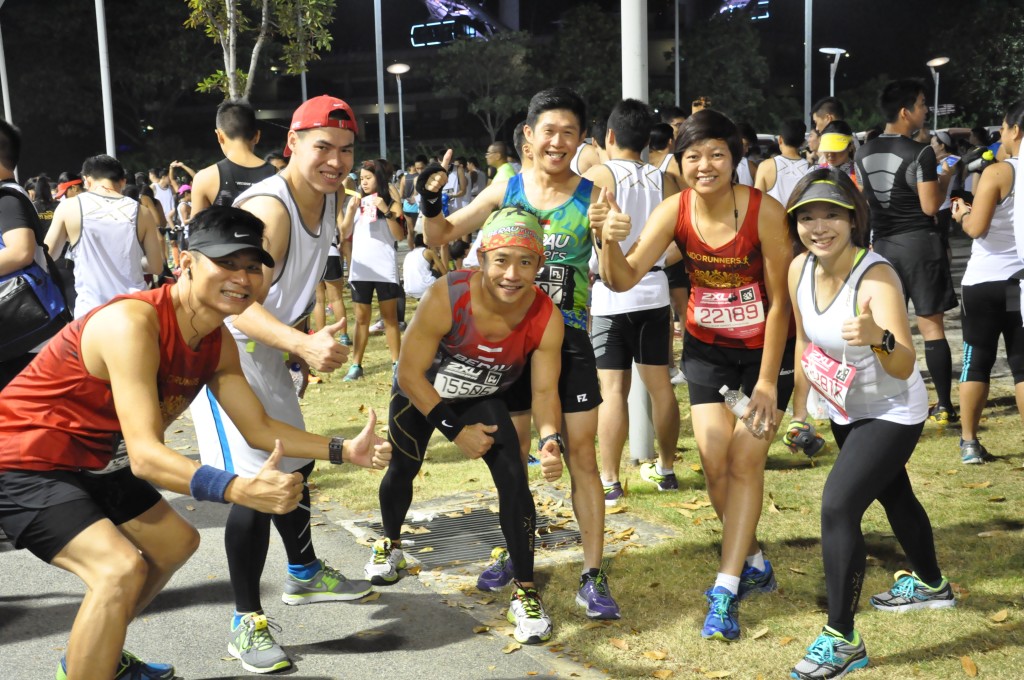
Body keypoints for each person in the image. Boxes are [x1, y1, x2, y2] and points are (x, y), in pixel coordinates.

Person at [0, 206, 391, 680]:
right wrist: (238, 489)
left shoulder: (216, 340)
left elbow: (259, 429)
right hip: (24, 459)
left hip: (94, 458)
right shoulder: (133, 323)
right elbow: (146, 457)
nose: (242, 278)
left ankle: (94, 658)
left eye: (252, 266)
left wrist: (343, 449)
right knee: (118, 570)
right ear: (184, 261)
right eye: (226, 263)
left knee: (173, 543)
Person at [592, 108, 794, 641]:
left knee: (745, 462)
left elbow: (780, 305)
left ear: (735, 158)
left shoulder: (765, 212)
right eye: (693, 156)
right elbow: (621, 278)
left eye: (717, 154)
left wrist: (770, 383)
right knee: (714, 465)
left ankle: (725, 589)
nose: (705, 165)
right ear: (679, 162)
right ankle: (752, 558)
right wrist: (605, 239)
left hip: (764, 358)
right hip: (707, 351)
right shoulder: (673, 210)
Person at [422, 87, 620, 620]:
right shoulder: (507, 185)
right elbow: (441, 232)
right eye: (548, 131)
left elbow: (619, 276)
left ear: (582, 140)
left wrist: (612, 237)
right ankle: (515, 551)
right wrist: (428, 198)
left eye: (569, 133)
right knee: (514, 459)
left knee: (580, 456)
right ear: (529, 136)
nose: (558, 142)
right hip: (509, 345)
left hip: (570, 339)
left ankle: (592, 573)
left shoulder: (593, 193)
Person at [187, 95, 368, 674]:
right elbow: (235, 305)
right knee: (256, 484)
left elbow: (277, 297)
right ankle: (246, 622)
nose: (334, 161)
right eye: (322, 147)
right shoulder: (274, 207)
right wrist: (301, 344)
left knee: (294, 463)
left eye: (344, 150)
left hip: (261, 351)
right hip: (215, 352)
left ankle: (306, 572)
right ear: (291, 144)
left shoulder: (325, 198)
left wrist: (296, 342)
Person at [366, 207, 565, 643]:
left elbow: (545, 393)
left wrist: (551, 441)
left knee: (515, 477)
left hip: (480, 397)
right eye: (501, 261)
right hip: (420, 391)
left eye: (526, 262)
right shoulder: (448, 293)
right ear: (482, 257)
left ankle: (526, 593)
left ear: (539, 265)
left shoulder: (547, 316)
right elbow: (408, 375)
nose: (512, 274)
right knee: (403, 467)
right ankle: (391, 544)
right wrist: (455, 432)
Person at [785, 169, 954, 680]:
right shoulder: (798, 269)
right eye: (807, 216)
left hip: (893, 410)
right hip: (843, 408)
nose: (819, 226)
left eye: (831, 214)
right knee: (894, 495)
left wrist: (877, 335)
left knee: (838, 504)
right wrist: (798, 413)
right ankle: (931, 584)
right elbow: (803, 345)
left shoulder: (876, 276)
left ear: (853, 218)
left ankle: (843, 638)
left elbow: (903, 362)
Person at [583, 99, 680, 504]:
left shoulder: (595, 175)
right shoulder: (667, 181)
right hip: (654, 292)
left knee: (612, 391)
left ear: (609, 136)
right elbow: (681, 243)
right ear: (647, 140)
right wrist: (650, 262)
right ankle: (668, 468)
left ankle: (609, 480)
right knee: (661, 388)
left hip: (608, 296)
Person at [855, 79, 960, 425]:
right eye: (921, 104)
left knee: (886, 329)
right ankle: (944, 404)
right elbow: (931, 205)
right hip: (919, 244)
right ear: (905, 112)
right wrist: (947, 176)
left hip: (882, 247)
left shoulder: (862, 152)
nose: (926, 109)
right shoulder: (922, 152)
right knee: (931, 327)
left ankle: (889, 399)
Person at [950, 100, 1024, 464]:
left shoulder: (999, 173)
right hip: (1019, 284)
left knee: (976, 360)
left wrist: (963, 214)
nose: (1001, 134)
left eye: (1004, 127)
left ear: (1016, 130)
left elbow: (976, 228)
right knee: (1022, 364)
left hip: (984, 281)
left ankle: (968, 442)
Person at [45, 154, 164, 319]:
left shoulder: (69, 207)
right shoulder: (141, 212)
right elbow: (156, 266)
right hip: (136, 311)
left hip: (91, 314)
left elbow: (48, 255)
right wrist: (130, 261)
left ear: (87, 181)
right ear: (122, 181)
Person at [339, 159, 405, 381]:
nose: (364, 182)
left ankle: (397, 363)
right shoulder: (356, 201)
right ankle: (356, 365)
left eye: (368, 178)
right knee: (360, 318)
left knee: (390, 319)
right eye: (362, 179)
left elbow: (400, 235)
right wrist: (349, 211)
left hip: (384, 268)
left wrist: (385, 210)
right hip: (361, 268)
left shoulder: (392, 203)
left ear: (380, 177)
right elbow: (344, 232)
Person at [189, 99, 278, 215]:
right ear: (257, 136)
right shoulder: (278, 176)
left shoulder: (204, 178)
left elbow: (197, 230)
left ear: (219, 136)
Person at [755, 119, 812, 205]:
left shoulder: (765, 166)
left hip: (773, 218)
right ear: (802, 143)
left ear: (780, 139)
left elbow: (756, 201)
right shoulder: (811, 169)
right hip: (800, 218)